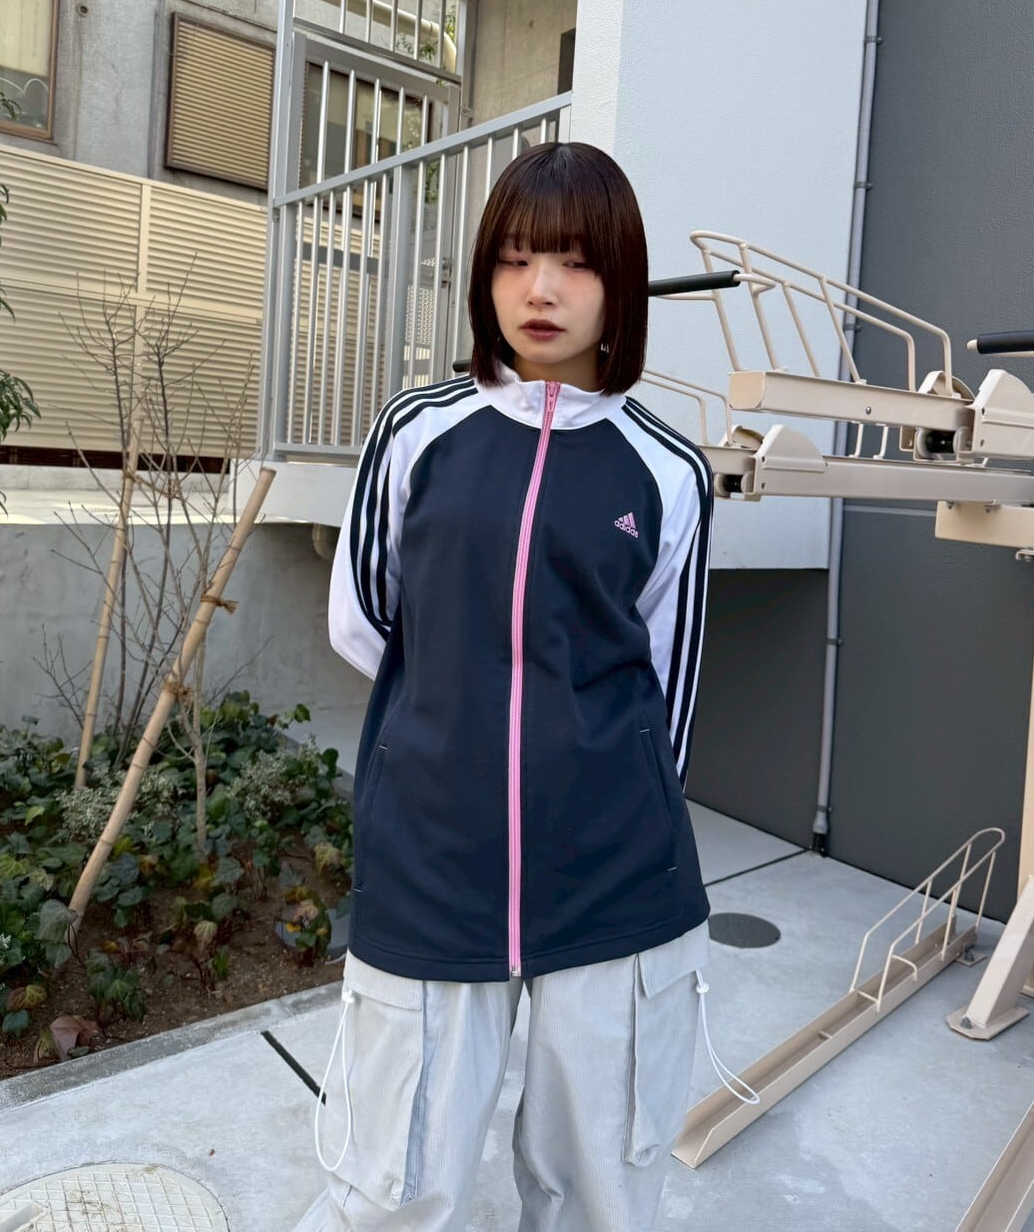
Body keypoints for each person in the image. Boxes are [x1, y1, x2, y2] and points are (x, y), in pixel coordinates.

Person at [294, 141, 717, 1232]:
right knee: (396, 1183)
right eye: (516, 258)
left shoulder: (668, 471)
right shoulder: (418, 434)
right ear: (485, 274)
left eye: (574, 261)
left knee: (598, 1193)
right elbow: (365, 621)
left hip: (614, 881)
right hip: (434, 862)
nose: (541, 288)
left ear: (619, 283)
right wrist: (458, 729)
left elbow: (666, 682)